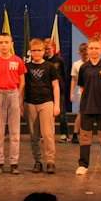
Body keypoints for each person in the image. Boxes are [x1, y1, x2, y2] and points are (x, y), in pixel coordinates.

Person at [0, 32, 27, 175]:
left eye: (6, 42)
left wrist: (16, 95)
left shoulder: (17, 60)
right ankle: (0, 162)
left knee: (15, 131)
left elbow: (22, 81)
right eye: (1, 42)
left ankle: (14, 163)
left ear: (11, 44)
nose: (4, 45)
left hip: (13, 94)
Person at [75, 37, 101, 176]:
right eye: (91, 48)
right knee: (85, 138)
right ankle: (83, 165)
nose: (94, 50)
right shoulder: (83, 68)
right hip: (86, 107)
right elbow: (82, 87)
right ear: (87, 50)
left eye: (97, 48)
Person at [25, 38, 60, 174]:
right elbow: (22, 87)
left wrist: (56, 105)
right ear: (30, 51)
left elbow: (55, 86)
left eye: (39, 50)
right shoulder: (27, 67)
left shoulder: (50, 67)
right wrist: (20, 104)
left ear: (44, 51)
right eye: (34, 50)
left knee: (48, 134)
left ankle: (50, 161)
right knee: (34, 135)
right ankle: (38, 161)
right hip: (30, 103)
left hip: (46, 102)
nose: (36, 53)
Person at [44, 38, 69, 143]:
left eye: (49, 48)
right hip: (47, 91)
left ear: (53, 48)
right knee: (46, 115)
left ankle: (64, 135)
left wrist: (60, 85)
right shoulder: (43, 60)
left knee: (62, 114)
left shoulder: (59, 60)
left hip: (59, 90)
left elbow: (64, 74)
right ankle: (45, 134)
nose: (47, 51)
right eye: (45, 49)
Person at [68, 42, 88, 144]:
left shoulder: (93, 63)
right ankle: (75, 134)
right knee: (81, 113)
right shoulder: (76, 64)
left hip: (93, 92)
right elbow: (74, 80)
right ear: (79, 53)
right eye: (83, 54)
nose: (86, 56)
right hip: (82, 92)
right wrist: (71, 93)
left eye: (87, 54)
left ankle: (87, 135)